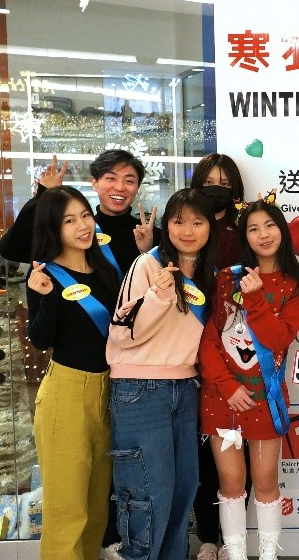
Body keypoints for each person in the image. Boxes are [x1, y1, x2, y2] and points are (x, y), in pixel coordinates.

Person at [199, 196, 299, 560]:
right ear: (244, 237)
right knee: (231, 484)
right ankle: (235, 554)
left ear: (282, 231)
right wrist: (227, 386)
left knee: (265, 482)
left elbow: (277, 338)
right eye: (253, 228)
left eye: (269, 226)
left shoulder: (295, 287)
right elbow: (208, 340)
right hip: (223, 399)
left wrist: (254, 299)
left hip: (266, 399)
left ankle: (268, 555)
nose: (263, 235)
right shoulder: (226, 278)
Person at [106, 188, 217, 560]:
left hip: (186, 388)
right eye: (179, 221)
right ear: (166, 225)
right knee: (146, 496)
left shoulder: (208, 274)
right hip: (140, 390)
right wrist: (158, 296)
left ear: (210, 227)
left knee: (183, 490)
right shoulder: (148, 265)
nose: (188, 230)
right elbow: (125, 334)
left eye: (197, 222)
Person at [26, 187, 120, 560]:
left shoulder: (105, 268)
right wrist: (46, 297)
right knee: (67, 511)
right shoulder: (45, 273)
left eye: (85, 215)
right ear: (54, 227)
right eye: (69, 220)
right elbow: (40, 339)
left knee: (96, 510)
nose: (82, 226)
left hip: (109, 392)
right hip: (66, 393)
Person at [189, 153, 247, 560]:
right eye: (209, 180)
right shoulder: (190, 228)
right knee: (200, 451)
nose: (216, 187)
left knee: (234, 449)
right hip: (189, 350)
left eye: (224, 182)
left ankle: (232, 541)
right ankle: (208, 537)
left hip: (239, 353)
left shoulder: (245, 229)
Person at [0, 151, 159, 277]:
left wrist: (149, 251)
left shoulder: (152, 236)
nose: (119, 187)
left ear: (137, 187)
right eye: (110, 178)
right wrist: (43, 196)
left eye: (129, 181)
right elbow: (11, 249)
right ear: (94, 183)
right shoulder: (75, 232)